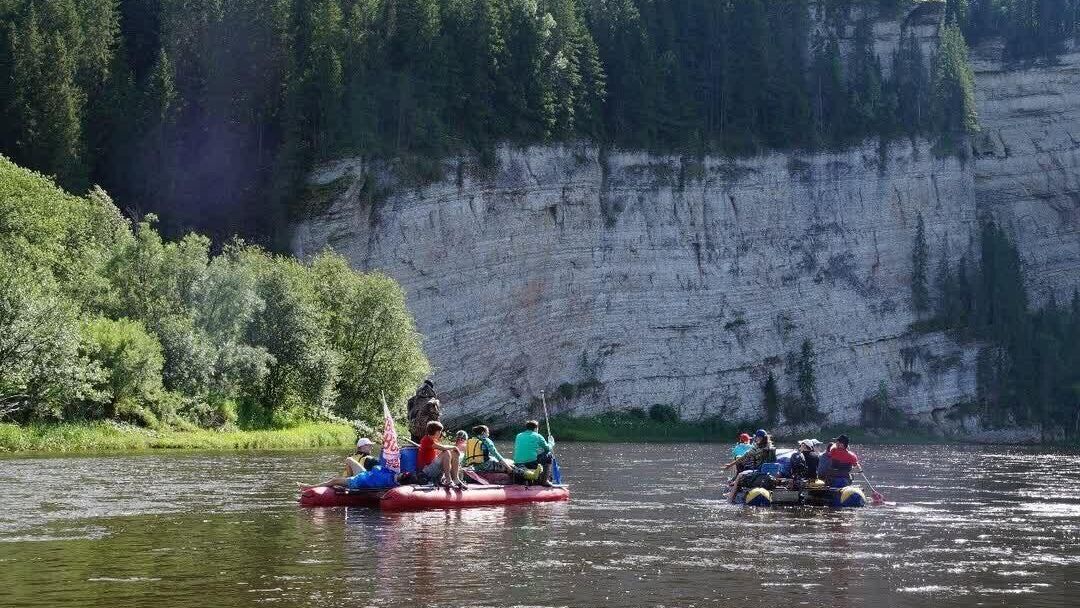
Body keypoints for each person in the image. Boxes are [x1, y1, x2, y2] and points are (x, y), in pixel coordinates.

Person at [413, 421, 467, 489]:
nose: (440, 433)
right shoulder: (426, 440)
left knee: (454, 452)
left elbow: (441, 452)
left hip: (434, 468)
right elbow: (443, 448)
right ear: (436, 432)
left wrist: (454, 451)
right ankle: (448, 480)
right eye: (439, 431)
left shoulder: (434, 440)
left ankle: (456, 479)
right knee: (446, 452)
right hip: (426, 471)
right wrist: (454, 447)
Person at [512, 420, 554, 487]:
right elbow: (547, 448)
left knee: (536, 455)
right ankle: (545, 480)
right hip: (530, 463)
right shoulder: (538, 436)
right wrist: (551, 442)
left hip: (517, 463)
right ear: (535, 428)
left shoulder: (518, 435)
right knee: (549, 454)